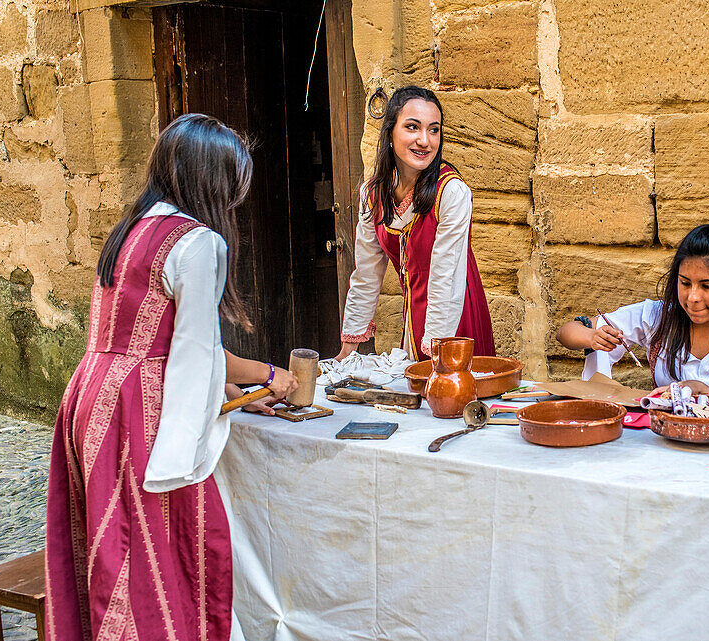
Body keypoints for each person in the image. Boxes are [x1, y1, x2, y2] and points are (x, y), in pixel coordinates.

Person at [45, 113, 298, 641]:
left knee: (112, 544)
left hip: (92, 397)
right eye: (232, 183)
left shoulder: (130, 231)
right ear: (210, 180)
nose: (235, 198)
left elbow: (165, 343)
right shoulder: (198, 243)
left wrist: (234, 395)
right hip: (141, 413)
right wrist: (181, 460)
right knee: (162, 553)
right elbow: (191, 354)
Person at [336, 85, 494, 362]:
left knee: (454, 395)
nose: (425, 140)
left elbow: (446, 280)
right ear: (390, 133)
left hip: (454, 320)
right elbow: (366, 275)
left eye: (434, 130)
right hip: (414, 319)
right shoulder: (372, 195)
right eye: (412, 127)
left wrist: (438, 354)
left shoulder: (451, 192)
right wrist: (348, 350)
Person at [557, 223, 709, 394]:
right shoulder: (658, 317)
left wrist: (704, 393)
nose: (693, 297)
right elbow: (566, 332)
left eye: (707, 286)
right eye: (685, 283)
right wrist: (591, 337)